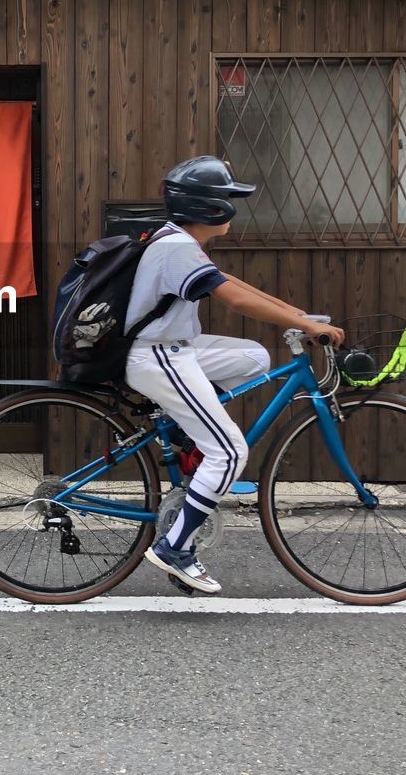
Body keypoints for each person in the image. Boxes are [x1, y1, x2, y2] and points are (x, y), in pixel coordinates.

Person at [127, 156, 345, 593]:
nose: (232, 205)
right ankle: (175, 549)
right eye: (226, 197)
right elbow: (235, 301)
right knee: (230, 452)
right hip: (157, 356)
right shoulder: (175, 248)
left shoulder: (179, 241)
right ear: (208, 207)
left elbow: (230, 281)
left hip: (175, 349)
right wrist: (307, 327)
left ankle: (192, 435)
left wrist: (296, 315)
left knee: (254, 358)